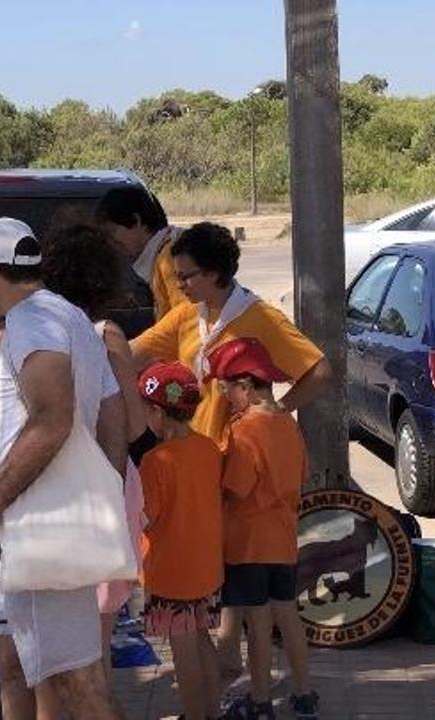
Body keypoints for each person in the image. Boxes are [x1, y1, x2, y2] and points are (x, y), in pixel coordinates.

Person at [0, 222, 147, 715]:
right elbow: (112, 414)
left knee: (79, 682)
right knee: (14, 660)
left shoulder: (34, 323)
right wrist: (106, 493)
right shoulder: (66, 316)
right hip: (48, 527)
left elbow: (53, 418)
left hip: (44, 529)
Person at [128, 221, 329, 678]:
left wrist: (275, 412)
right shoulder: (187, 315)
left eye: (186, 276)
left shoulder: (261, 318)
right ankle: (226, 661)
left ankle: (239, 675)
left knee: (236, 575)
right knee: (221, 573)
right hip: (196, 462)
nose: (179, 285)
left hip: (236, 468)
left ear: (215, 273)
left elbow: (319, 372)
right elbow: (135, 351)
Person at [207, 338, 318, 720]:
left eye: (227, 390)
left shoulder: (244, 431)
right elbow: (300, 474)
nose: (225, 398)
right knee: (287, 616)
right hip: (283, 539)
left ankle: (259, 700)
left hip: (248, 543)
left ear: (246, 386)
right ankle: (304, 695)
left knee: (257, 624)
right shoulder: (288, 424)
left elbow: (236, 489)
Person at [134, 360, 224, 720]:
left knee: (183, 653)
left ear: (157, 412)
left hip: (171, 571)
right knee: (203, 641)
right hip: (207, 566)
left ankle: (195, 713)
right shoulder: (209, 449)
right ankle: (212, 711)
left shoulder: (154, 461)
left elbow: (148, 517)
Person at [95, 185, 186, 320]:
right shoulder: (161, 253)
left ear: (136, 221)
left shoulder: (170, 259)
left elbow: (186, 319)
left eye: (112, 231)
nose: (110, 241)